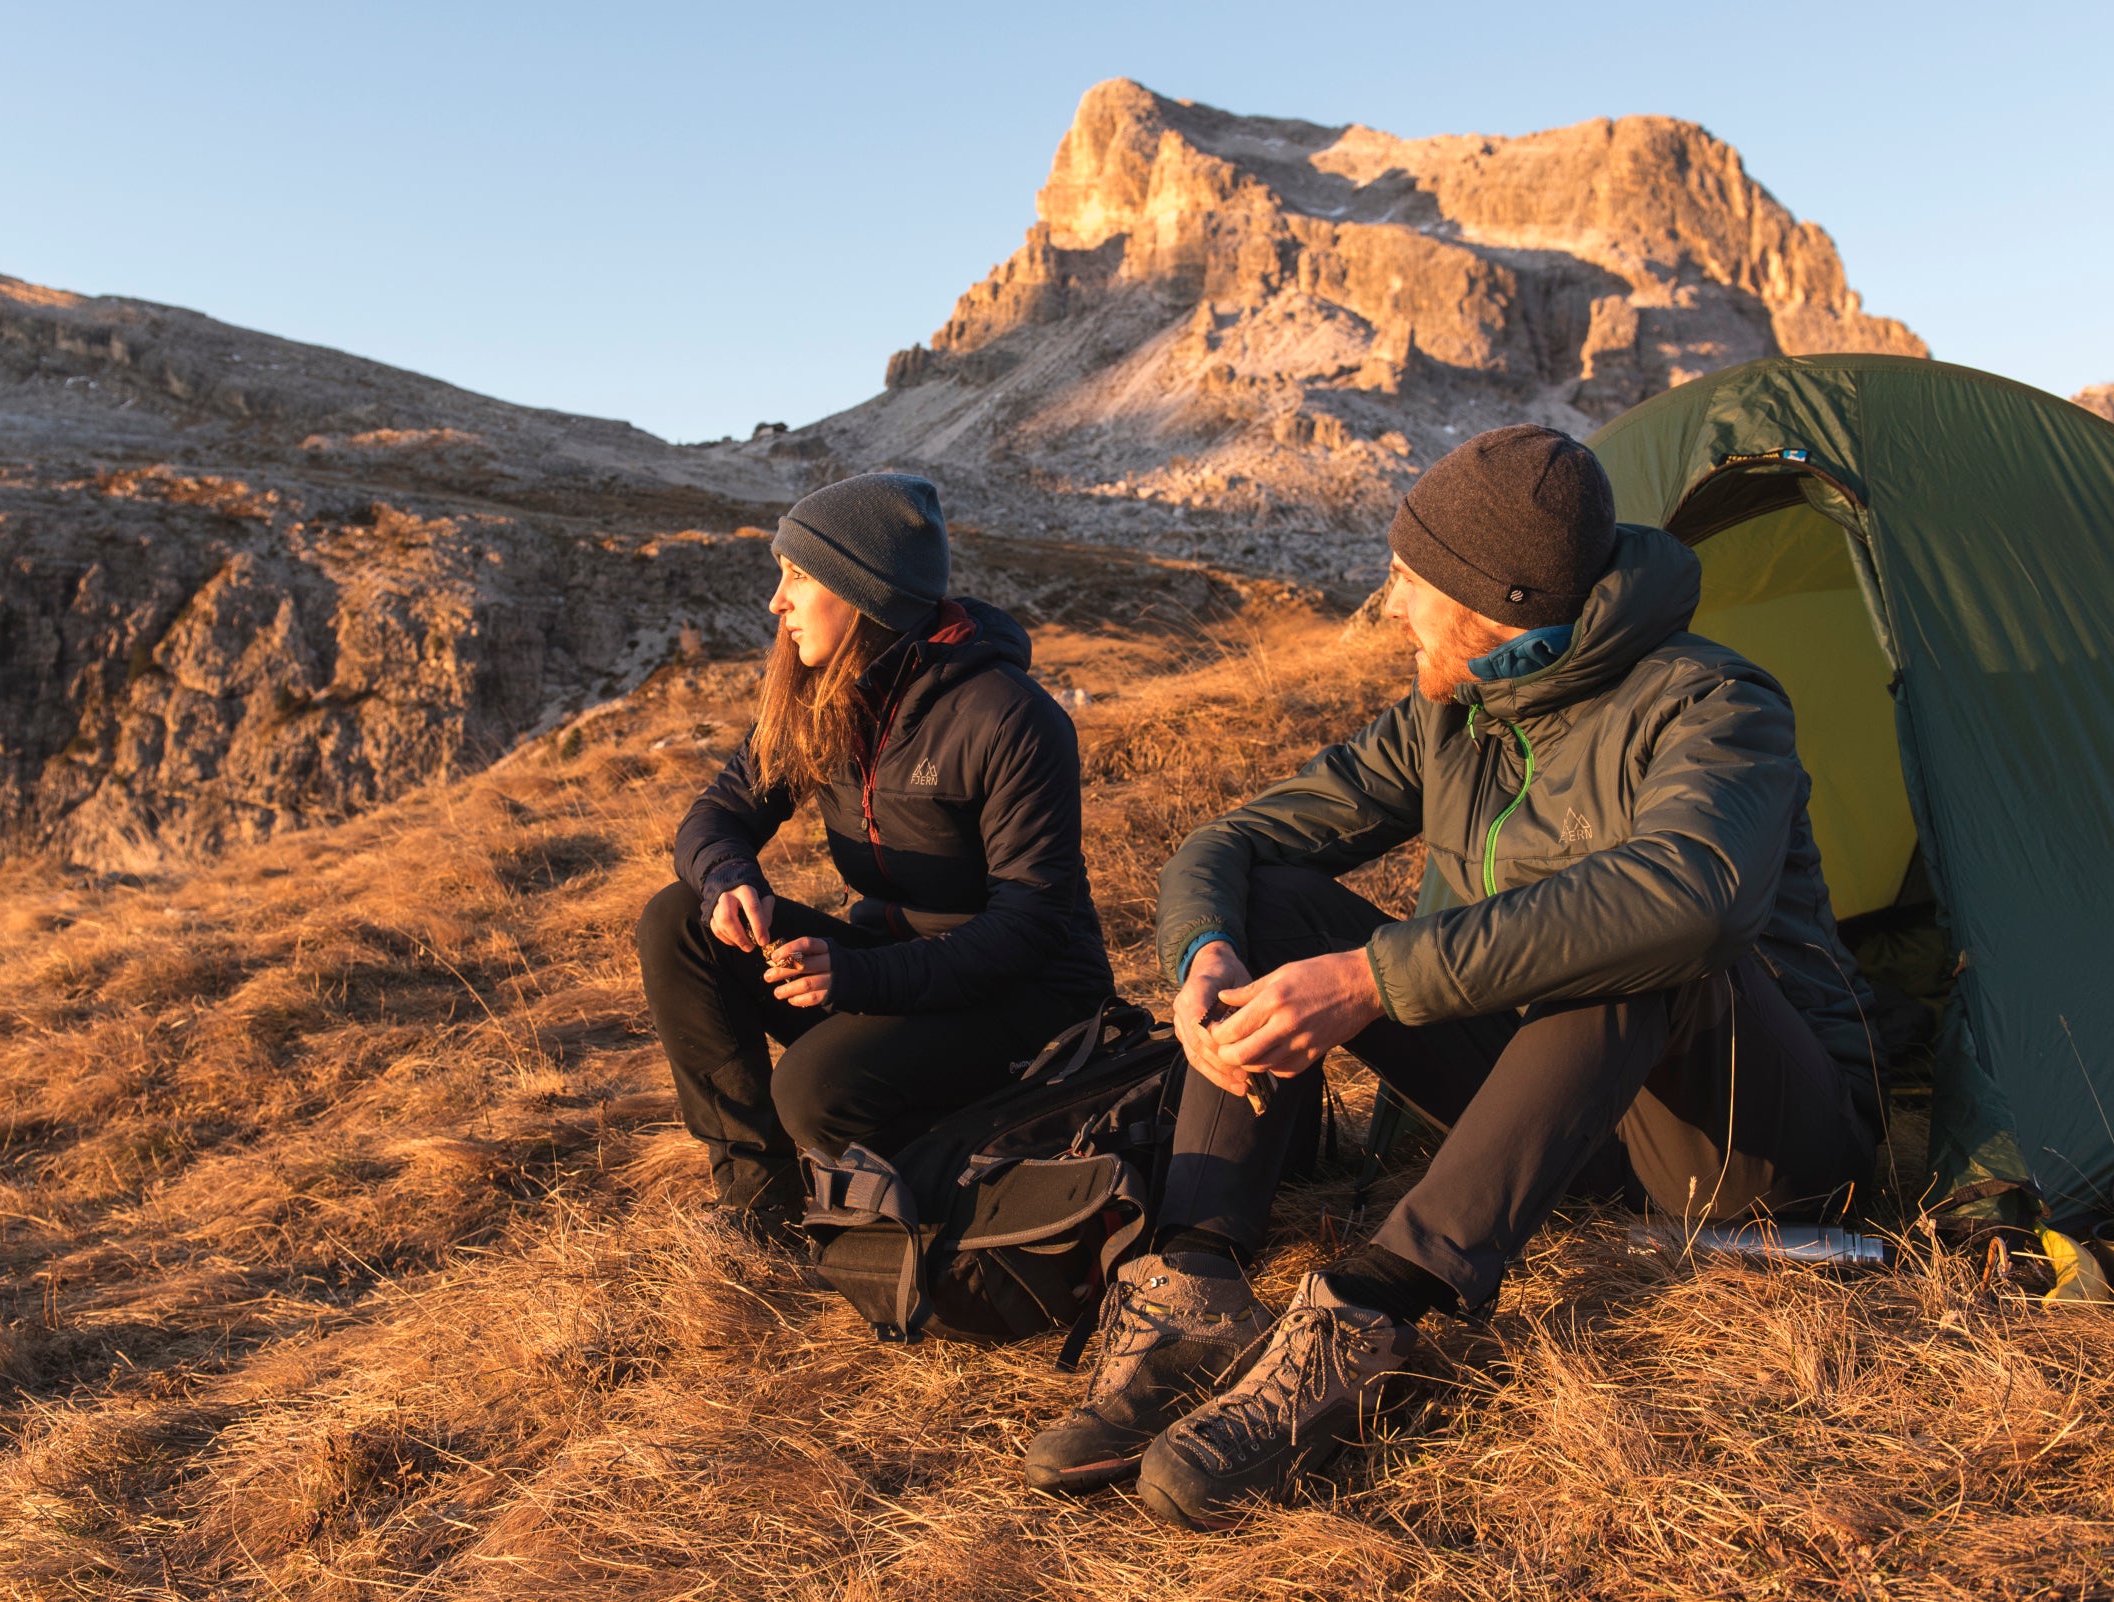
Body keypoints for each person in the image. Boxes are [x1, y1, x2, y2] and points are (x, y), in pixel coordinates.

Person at [1023, 425, 1883, 1529]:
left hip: (1754, 1146)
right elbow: (1229, 845)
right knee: (1278, 902)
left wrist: (1372, 981)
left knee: (1641, 933)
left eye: (1407, 582)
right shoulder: (1452, 717)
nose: (1388, 609)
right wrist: (1208, 953)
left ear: (1498, 600)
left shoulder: (1710, 702)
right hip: (1560, 1116)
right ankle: (1198, 1280)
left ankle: (1375, 1310)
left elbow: (1697, 893)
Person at [637, 472, 1114, 1241]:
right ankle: (760, 1204)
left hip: (1024, 997)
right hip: (896, 968)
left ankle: (956, 1178)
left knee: (813, 1088)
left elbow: (1032, 926)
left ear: (862, 588)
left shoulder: (1010, 718)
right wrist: (729, 879)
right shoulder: (826, 699)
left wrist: (860, 976)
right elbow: (716, 816)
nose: (776, 602)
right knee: (678, 917)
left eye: (797, 576)